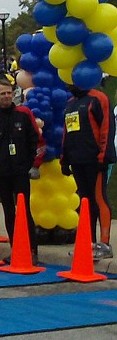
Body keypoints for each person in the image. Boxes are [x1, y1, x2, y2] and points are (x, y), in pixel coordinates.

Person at [0, 79, 45, 264]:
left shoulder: (24, 114)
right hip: (1, 173)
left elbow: (38, 142)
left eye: (9, 93)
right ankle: (15, 249)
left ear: (14, 93)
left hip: (22, 171)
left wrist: (35, 165)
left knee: (24, 211)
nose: (6, 96)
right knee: (9, 212)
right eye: (2, 94)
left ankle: (32, 251)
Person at [61, 84, 116, 260]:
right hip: (77, 159)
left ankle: (105, 243)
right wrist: (65, 158)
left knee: (99, 198)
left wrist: (104, 156)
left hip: (95, 159)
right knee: (85, 201)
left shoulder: (98, 98)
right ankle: (88, 242)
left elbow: (107, 128)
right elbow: (67, 132)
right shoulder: (70, 103)